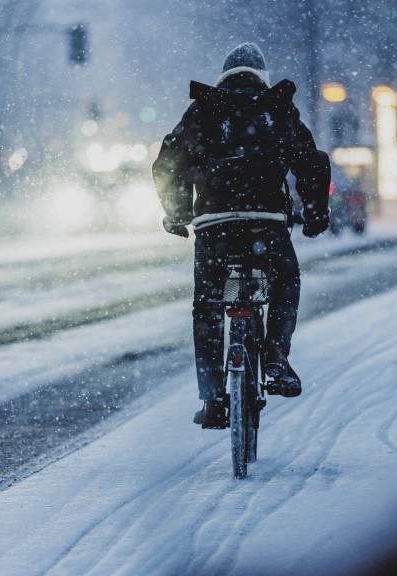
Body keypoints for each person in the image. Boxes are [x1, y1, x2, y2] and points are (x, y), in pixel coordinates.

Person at [152, 42, 331, 429]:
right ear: (261, 78)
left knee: (208, 304)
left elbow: (169, 162)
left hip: (214, 226)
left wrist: (178, 213)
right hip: (265, 223)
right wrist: (315, 211)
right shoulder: (278, 109)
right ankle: (276, 357)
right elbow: (311, 162)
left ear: (223, 77)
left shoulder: (202, 110)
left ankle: (214, 396)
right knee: (285, 279)